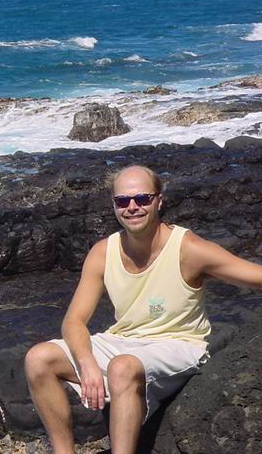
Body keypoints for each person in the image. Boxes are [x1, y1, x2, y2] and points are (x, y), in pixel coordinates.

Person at [24, 165, 262, 454]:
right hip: (123, 342)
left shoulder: (188, 249)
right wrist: (87, 363)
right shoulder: (103, 252)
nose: (132, 207)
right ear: (114, 205)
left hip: (178, 345)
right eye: (122, 201)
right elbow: (73, 321)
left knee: (122, 367)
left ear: (159, 200)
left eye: (142, 199)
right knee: (39, 359)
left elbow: (255, 276)